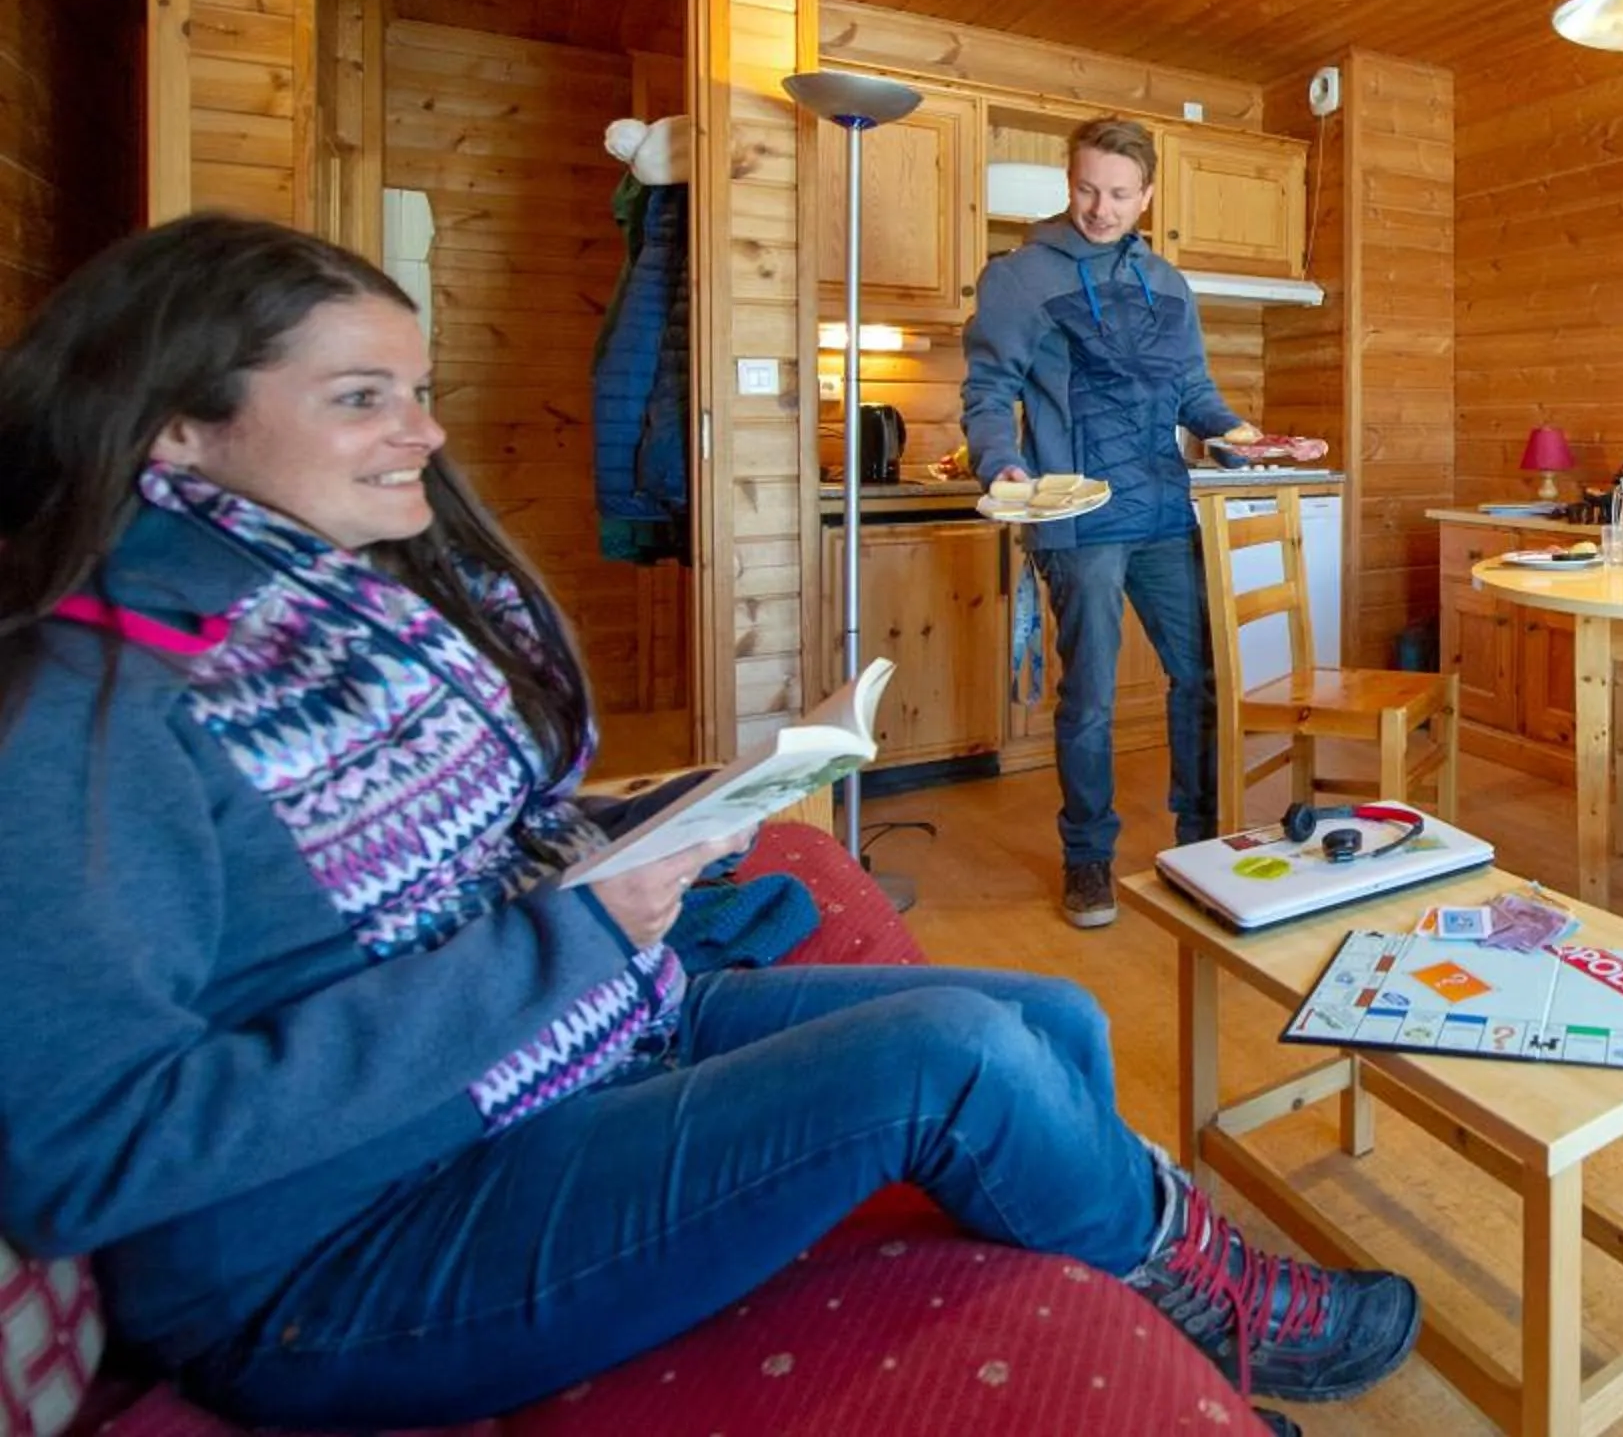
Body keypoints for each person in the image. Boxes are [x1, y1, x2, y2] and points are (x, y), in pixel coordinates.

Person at [0, 215, 1414, 1434]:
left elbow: (439, 876)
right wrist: (570, 938)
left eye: (416, 390)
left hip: (554, 1063)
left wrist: (663, 819)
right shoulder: (91, 708)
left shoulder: (329, 619)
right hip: (341, 1249)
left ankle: (1157, 1292)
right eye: (362, 397)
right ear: (177, 422)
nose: (424, 433)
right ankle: (1229, 1298)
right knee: (954, 1054)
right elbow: (85, 1155)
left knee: (1054, 1015)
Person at [964, 117, 1259, 928]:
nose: (1102, 208)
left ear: (1148, 196)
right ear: (1071, 182)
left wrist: (1237, 436)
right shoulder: (1021, 276)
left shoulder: (1168, 283)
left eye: (1120, 194)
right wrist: (1000, 464)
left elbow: (1193, 391)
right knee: (1089, 698)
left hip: (1163, 511)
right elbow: (989, 390)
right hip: (1078, 518)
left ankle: (1200, 840)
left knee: (1202, 677)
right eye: (1089, 189)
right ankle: (1087, 859)